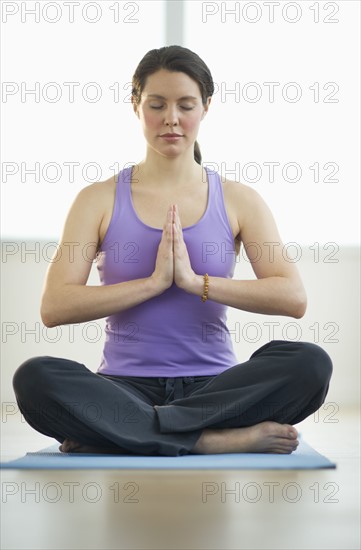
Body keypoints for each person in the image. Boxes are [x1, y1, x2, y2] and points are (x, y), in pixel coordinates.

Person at [12, 45, 333, 457]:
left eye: (186, 105)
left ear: (205, 107)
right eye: (157, 104)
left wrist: (194, 282)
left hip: (215, 389)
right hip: (125, 388)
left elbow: (292, 298)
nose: (171, 119)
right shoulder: (97, 199)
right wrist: (152, 284)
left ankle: (130, 433)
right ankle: (207, 439)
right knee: (36, 378)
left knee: (309, 364)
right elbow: (54, 307)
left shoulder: (239, 199)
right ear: (135, 104)